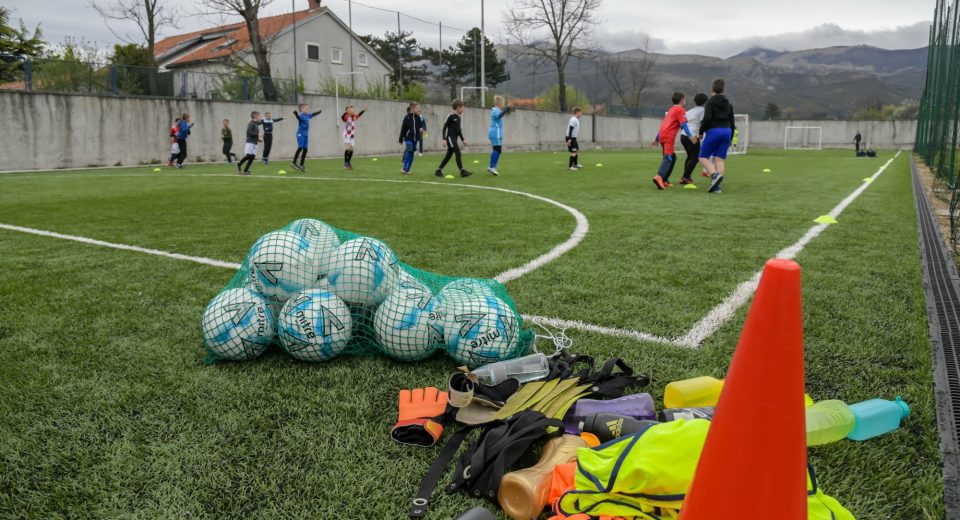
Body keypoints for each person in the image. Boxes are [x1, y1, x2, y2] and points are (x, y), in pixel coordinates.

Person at [699, 78, 736, 194]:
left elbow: (707, 119)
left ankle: (714, 175)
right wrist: (730, 138)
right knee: (719, 159)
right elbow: (732, 122)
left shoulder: (710, 102)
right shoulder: (728, 104)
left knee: (703, 156)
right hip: (727, 131)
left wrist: (701, 131)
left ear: (712, 89)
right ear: (723, 89)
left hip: (714, 131)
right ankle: (717, 187)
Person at [652, 92, 695, 190]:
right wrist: (690, 136)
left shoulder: (671, 109)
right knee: (668, 158)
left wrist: (657, 138)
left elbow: (664, 124)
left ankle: (665, 180)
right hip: (668, 137)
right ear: (682, 100)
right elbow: (684, 124)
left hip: (662, 135)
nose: (685, 101)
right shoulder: (680, 110)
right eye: (685, 99)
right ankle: (659, 176)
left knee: (673, 157)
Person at [435, 99, 472, 178]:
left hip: (454, 139)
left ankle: (438, 170)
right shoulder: (450, 116)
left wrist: (463, 140)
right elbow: (444, 127)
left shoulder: (459, 118)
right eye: (463, 107)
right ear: (458, 107)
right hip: (450, 138)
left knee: (449, 155)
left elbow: (458, 131)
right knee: (458, 153)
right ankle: (462, 171)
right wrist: (444, 139)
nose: (463, 109)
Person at [679, 93, 708, 185]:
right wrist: (701, 134)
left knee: (689, 156)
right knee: (695, 158)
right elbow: (703, 123)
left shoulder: (690, 111)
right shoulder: (702, 110)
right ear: (705, 102)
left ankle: (686, 176)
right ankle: (685, 177)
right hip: (693, 135)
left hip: (683, 135)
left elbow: (683, 122)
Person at [292, 103, 322, 172]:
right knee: (300, 147)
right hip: (300, 134)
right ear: (301, 109)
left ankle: (301, 165)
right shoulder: (300, 115)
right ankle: (293, 162)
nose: (307, 110)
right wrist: (296, 114)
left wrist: (318, 112)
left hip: (306, 135)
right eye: (306, 108)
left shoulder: (307, 115)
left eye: (308, 108)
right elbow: (298, 118)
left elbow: (312, 114)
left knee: (305, 149)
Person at [488, 95, 513, 176]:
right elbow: (500, 115)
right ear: (499, 103)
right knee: (497, 149)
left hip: (496, 132)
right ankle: (492, 167)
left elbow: (503, 113)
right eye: (503, 103)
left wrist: (508, 108)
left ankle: (492, 167)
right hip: (496, 132)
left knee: (498, 150)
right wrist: (507, 108)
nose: (504, 105)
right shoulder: (495, 110)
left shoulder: (497, 110)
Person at [399, 102, 423, 175]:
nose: (419, 109)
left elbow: (420, 126)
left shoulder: (418, 118)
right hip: (408, 138)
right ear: (412, 108)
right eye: (417, 108)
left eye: (419, 108)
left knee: (412, 153)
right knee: (409, 150)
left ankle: (408, 169)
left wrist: (421, 129)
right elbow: (403, 129)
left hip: (415, 138)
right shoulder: (407, 117)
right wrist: (401, 138)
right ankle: (404, 168)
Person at [341, 105, 367, 171]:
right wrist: (346, 112)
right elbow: (342, 118)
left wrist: (364, 110)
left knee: (352, 149)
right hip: (347, 134)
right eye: (351, 109)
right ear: (348, 111)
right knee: (348, 148)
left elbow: (359, 115)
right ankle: (345, 162)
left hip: (352, 135)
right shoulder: (347, 117)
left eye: (353, 109)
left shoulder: (354, 117)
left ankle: (348, 162)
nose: (353, 110)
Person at [236, 111, 262, 175]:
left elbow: (254, 134)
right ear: (255, 116)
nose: (260, 118)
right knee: (249, 155)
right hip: (250, 142)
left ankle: (246, 170)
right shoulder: (251, 123)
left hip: (255, 142)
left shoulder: (256, 124)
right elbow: (249, 132)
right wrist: (257, 135)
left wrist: (258, 139)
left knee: (252, 156)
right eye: (259, 116)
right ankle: (239, 164)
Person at [566, 107, 584, 171]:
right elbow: (570, 129)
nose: (581, 114)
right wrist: (569, 139)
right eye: (581, 113)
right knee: (573, 152)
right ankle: (570, 167)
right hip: (571, 138)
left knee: (576, 150)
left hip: (574, 138)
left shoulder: (576, 119)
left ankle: (575, 164)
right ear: (577, 112)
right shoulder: (573, 120)